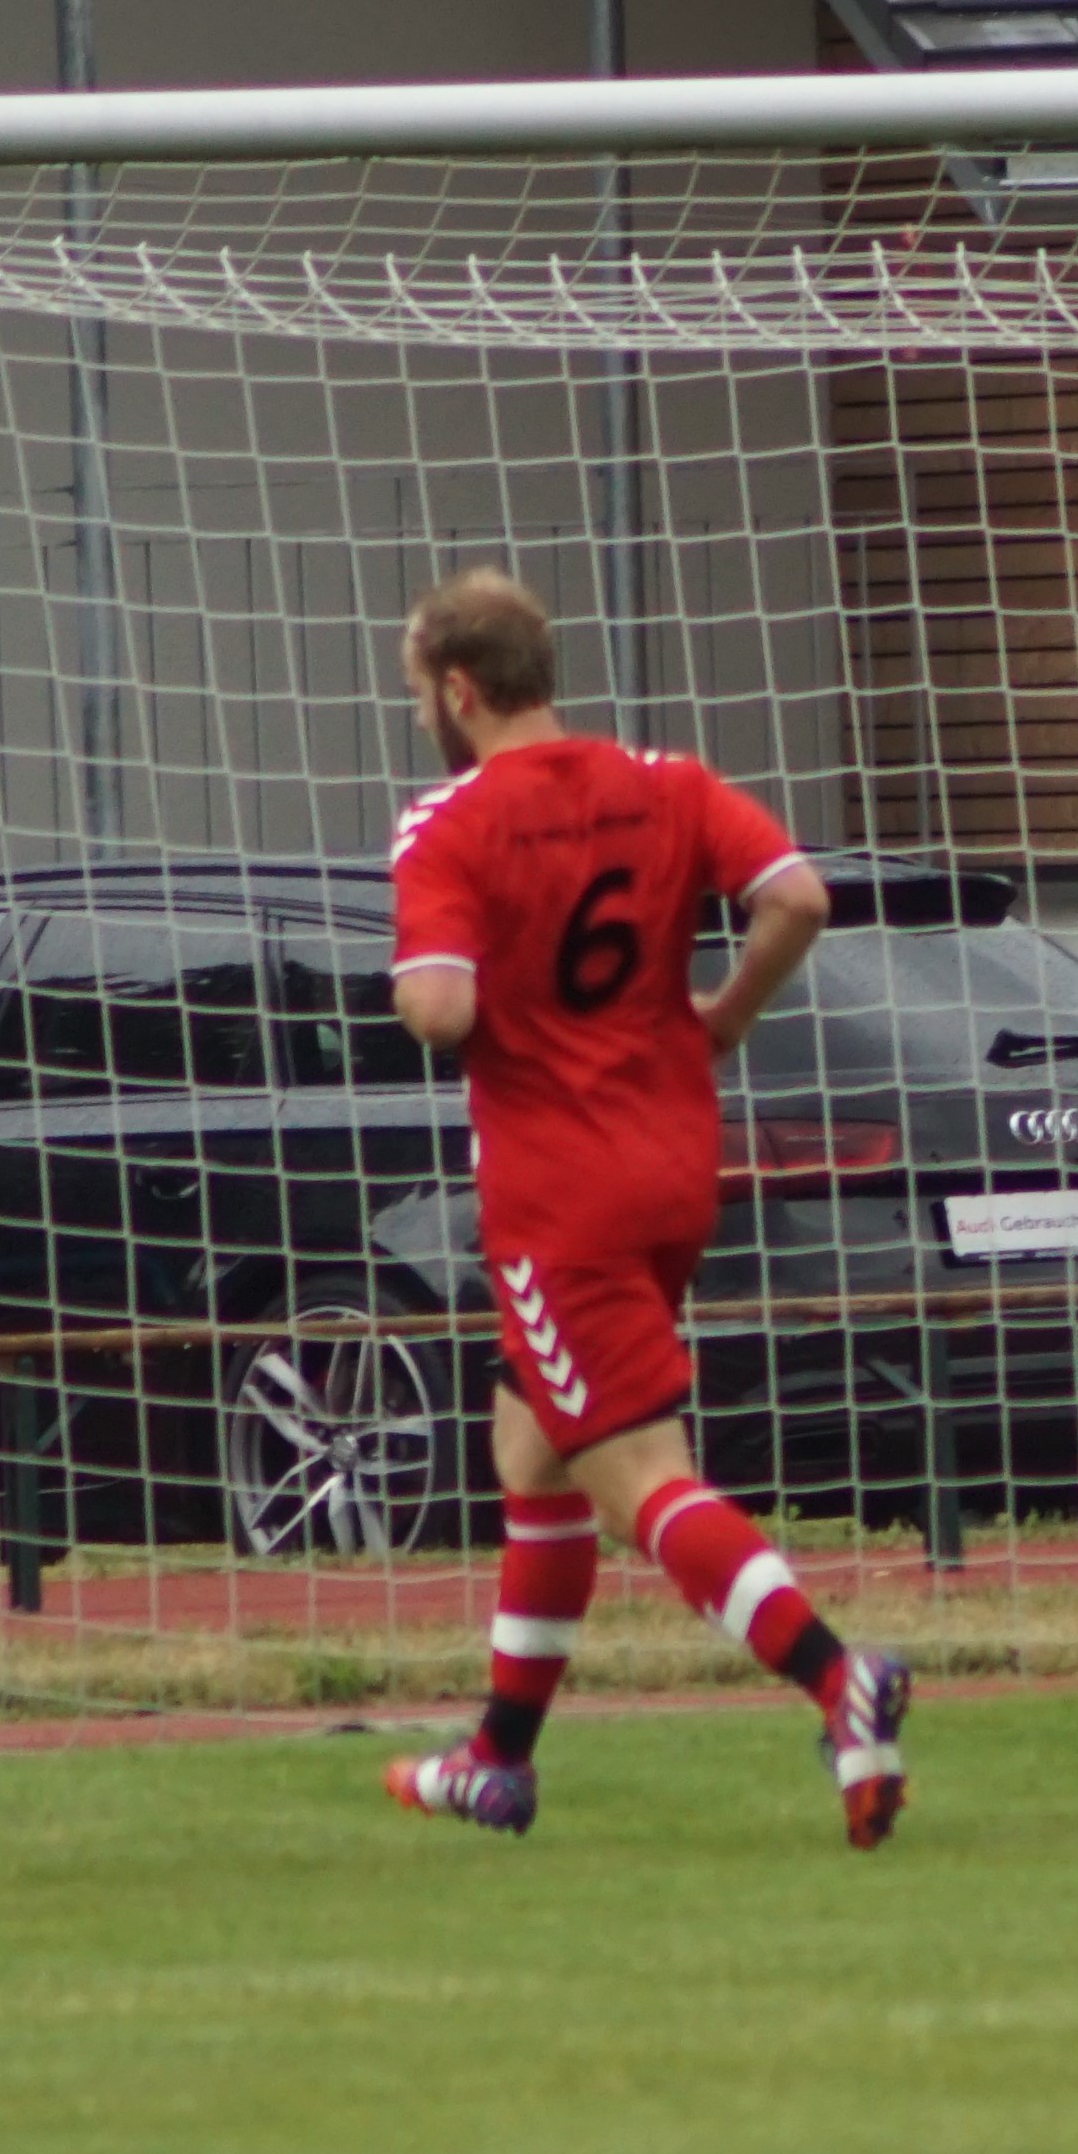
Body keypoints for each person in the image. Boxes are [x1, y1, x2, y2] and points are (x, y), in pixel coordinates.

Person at [373, 569, 910, 1848]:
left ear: (456, 689)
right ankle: (498, 1759)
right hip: (676, 1166)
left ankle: (840, 1678)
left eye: (420, 698)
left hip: (561, 1196)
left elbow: (441, 1008)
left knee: (640, 1480)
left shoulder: (447, 825)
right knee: (531, 1445)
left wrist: (435, 995)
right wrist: (725, 1014)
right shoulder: (666, 781)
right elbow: (798, 896)